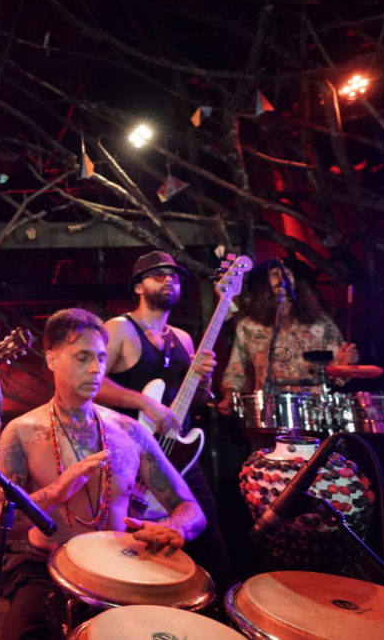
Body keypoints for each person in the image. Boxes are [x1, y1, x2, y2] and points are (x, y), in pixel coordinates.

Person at [0, 308, 205, 639]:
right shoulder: (23, 432)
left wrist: (174, 527)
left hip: (122, 566)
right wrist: (56, 491)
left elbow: (192, 509)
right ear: (52, 358)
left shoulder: (130, 432)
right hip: (48, 569)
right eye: (82, 357)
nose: (96, 369)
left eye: (100, 358)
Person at [93, 250, 233, 592]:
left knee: (206, 525)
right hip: (131, 452)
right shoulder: (119, 329)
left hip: (178, 453)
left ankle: (216, 604)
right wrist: (143, 402)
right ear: (138, 287)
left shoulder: (183, 339)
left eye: (174, 277)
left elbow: (196, 401)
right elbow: (94, 384)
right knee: (127, 537)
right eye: (158, 275)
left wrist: (204, 381)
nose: (169, 280)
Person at [220, 257, 359, 400]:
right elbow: (235, 371)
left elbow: (338, 374)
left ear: (296, 282)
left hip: (313, 405)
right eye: (275, 274)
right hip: (269, 406)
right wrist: (229, 395)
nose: (282, 280)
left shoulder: (321, 322)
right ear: (265, 283)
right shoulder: (249, 326)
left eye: (286, 274)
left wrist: (346, 362)